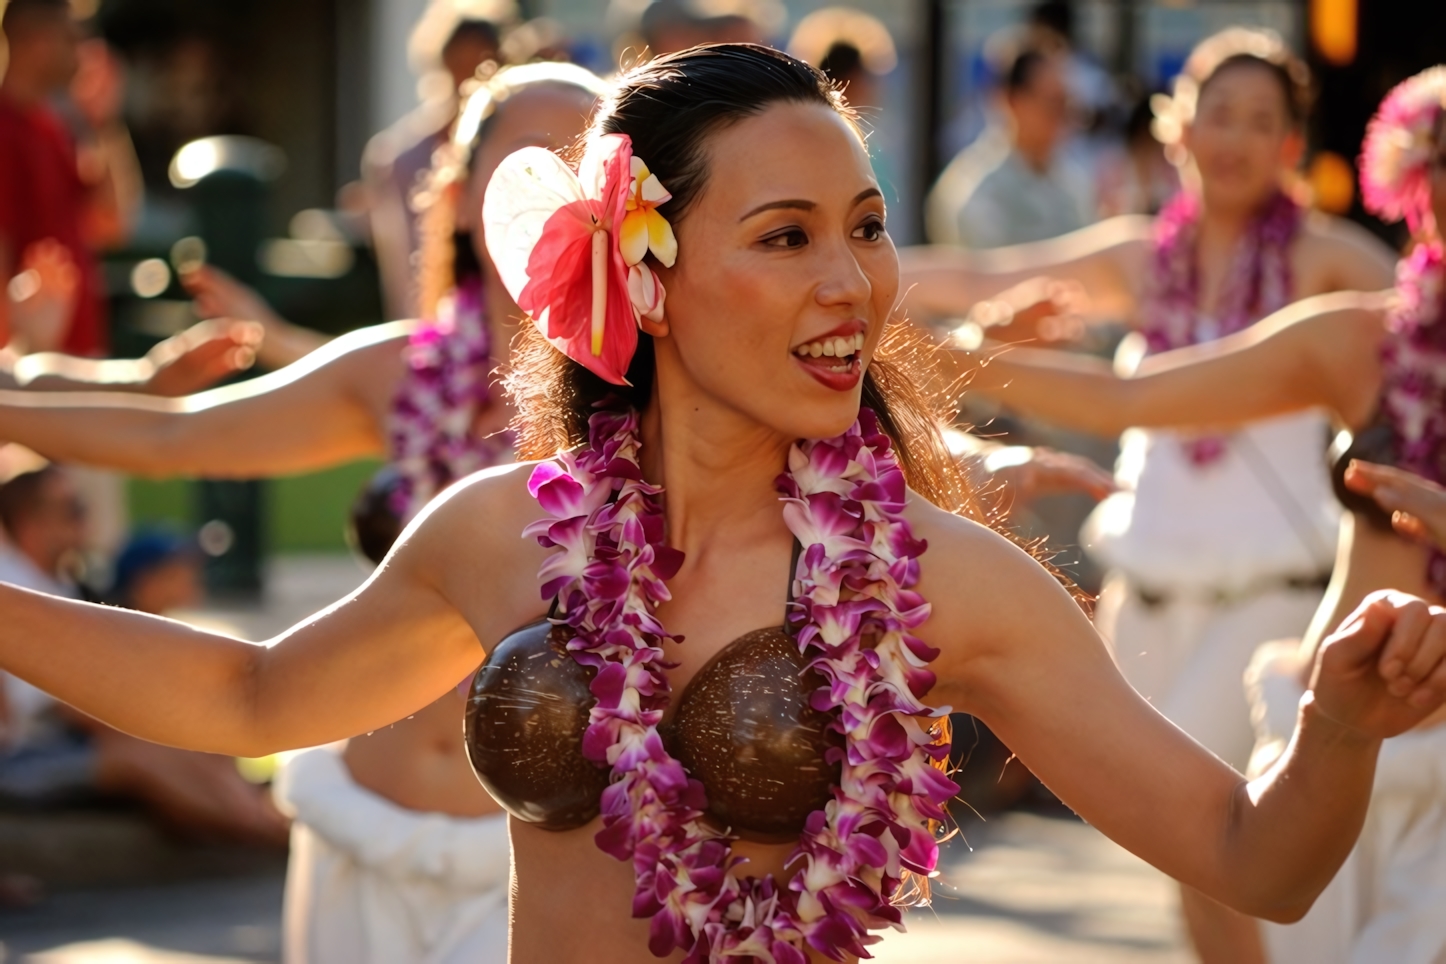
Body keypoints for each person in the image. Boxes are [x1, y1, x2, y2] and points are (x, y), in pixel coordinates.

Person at [0, 44, 1443, 964]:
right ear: (648, 271)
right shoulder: (505, 531)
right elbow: (251, 700)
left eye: (867, 231)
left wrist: (1332, 726)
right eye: (787, 236)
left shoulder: (947, 581)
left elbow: (1262, 865)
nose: (853, 284)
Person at [935, 64, 1446, 964]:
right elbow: (1099, 373)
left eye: (1261, 121)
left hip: (1272, 604)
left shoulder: (1328, 263)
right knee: (1220, 875)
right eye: (1220, 116)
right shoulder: (1339, 322)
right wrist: (905, 329)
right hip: (1176, 607)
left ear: (1292, 145)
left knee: (1234, 855)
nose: (1238, 140)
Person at [0, 466, 287, 845]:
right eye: (73, 509)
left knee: (177, 743)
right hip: (22, 752)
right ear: (31, 521)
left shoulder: (55, 580)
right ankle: (269, 833)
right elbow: (57, 704)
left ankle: (266, 821)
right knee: (147, 754)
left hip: (55, 739)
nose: (85, 521)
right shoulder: (14, 583)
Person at [0, 0, 141, 356]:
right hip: (29, 375)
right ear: (39, 42)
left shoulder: (54, 129)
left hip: (68, 363)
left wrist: (104, 122)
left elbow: (111, 225)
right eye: (72, 36)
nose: (86, 49)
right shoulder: (5, 130)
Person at [364, 0, 517, 321]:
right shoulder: (402, 158)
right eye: (460, 63)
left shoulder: (512, 146)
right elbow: (404, 267)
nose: (468, 79)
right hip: (438, 326)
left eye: (482, 65)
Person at [926, 40, 1094, 250]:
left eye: (1067, 104)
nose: (1063, 117)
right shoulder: (972, 188)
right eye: (1052, 103)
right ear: (1012, 101)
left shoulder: (1072, 182)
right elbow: (985, 274)